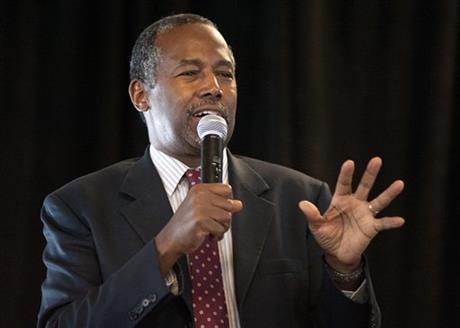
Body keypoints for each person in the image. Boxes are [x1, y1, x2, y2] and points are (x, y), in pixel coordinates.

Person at [38, 13, 405, 328]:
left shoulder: (302, 198)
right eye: (189, 73)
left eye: (225, 74)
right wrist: (165, 248)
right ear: (141, 95)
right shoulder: (79, 207)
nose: (214, 88)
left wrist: (343, 270)